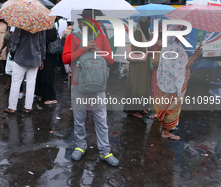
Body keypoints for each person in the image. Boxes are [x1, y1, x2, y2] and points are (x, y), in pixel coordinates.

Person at [62, 9, 119, 166]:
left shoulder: (102, 38)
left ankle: (105, 151)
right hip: (78, 85)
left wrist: (98, 51)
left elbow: (111, 60)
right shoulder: (73, 37)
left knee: (101, 119)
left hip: (98, 86)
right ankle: (80, 146)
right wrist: (84, 49)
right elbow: (65, 58)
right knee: (79, 118)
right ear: (81, 23)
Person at [155, 25, 202, 140]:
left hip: (166, 82)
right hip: (174, 84)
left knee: (166, 105)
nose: (186, 35)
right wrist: (195, 56)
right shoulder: (178, 49)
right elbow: (184, 68)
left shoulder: (168, 44)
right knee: (172, 107)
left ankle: (167, 127)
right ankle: (165, 132)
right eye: (184, 32)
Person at [4, 28, 45, 114]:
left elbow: (14, 41)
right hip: (35, 58)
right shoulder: (40, 25)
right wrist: (42, 59)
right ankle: (28, 107)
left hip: (21, 58)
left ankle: (12, 107)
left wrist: (18, 32)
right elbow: (42, 44)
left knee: (15, 83)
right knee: (31, 83)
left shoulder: (20, 24)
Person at [124, 16, 152, 118]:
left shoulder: (146, 32)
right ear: (142, 21)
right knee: (137, 85)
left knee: (143, 85)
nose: (149, 21)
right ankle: (132, 110)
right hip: (137, 65)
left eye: (150, 20)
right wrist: (149, 42)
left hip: (144, 64)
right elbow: (136, 48)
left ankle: (141, 107)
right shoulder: (137, 33)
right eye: (147, 20)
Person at [35, 27, 58, 105]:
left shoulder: (50, 29)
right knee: (42, 75)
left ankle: (51, 97)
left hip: (49, 55)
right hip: (45, 55)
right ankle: (44, 95)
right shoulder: (45, 29)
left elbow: (50, 39)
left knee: (47, 75)